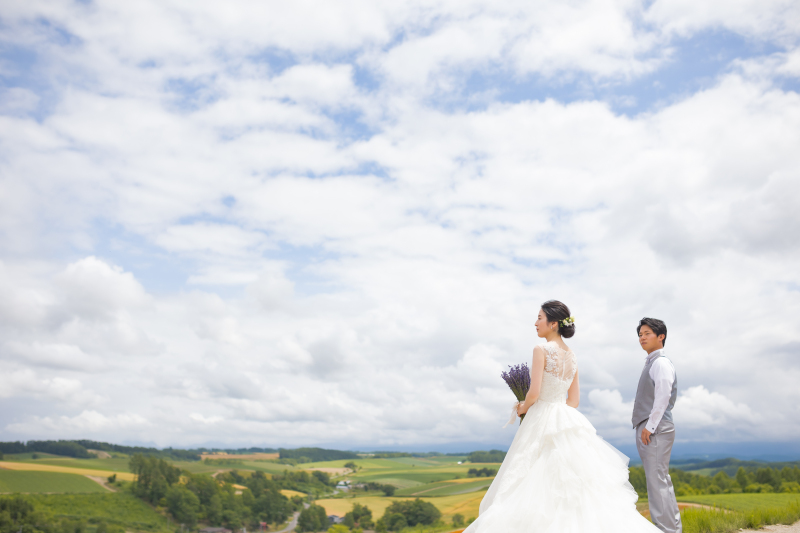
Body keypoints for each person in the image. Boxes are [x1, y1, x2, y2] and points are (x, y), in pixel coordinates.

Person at [464, 300, 661, 533]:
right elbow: (574, 401)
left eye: (539, 318)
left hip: (542, 417)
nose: (535, 323)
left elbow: (534, 393)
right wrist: (555, 410)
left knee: (528, 479)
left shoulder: (541, 349)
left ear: (554, 323)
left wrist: (522, 407)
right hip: (566, 416)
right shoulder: (572, 356)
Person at [633, 318, 682, 533]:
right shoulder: (653, 362)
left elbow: (663, 395)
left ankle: (667, 530)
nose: (642, 338)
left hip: (657, 429)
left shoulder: (661, 363)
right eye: (640, 334)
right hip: (654, 428)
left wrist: (650, 426)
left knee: (657, 482)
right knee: (657, 481)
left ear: (661, 336)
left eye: (647, 333)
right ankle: (668, 528)